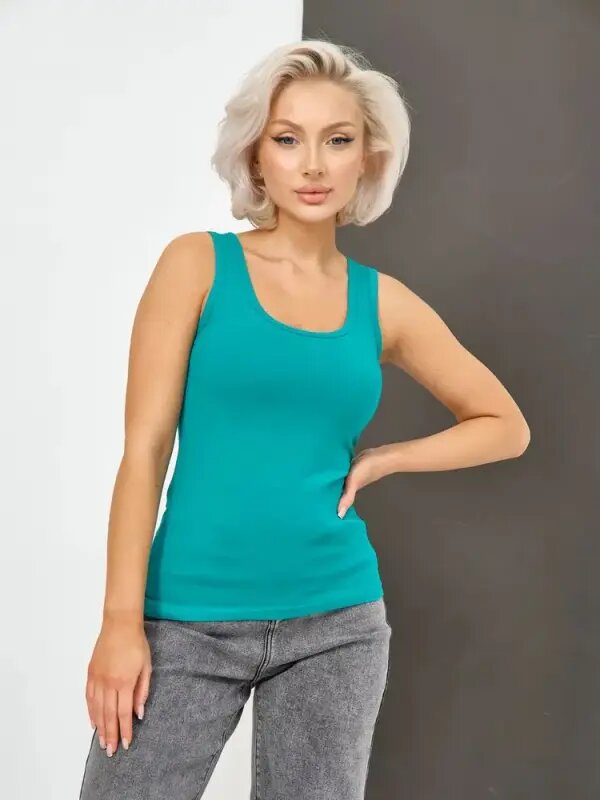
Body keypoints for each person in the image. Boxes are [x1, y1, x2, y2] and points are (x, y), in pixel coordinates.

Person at [79, 38, 530, 800]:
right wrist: (121, 623)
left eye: (338, 140)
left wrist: (388, 458)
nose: (313, 165)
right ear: (257, 157)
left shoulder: (383, 303)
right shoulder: (196, 265)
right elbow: (144, 452)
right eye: (288, 140)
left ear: (368, 160)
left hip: (336, 624)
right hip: (183, 619)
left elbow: (505, 424)